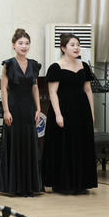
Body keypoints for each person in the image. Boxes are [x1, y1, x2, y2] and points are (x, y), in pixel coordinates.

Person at [43, 33, 97, 194]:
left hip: (81, 110)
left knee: (81, 144)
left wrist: (92, 112)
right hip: (64, 109)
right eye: (72, 45)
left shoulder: (84, 66)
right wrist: (58, 114)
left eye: (78, 45)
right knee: (64, 145)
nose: (76, 48)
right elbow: (53, 92)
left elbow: (88, 90)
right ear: (63, 48)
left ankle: (81, 183)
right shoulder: (56, 67)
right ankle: (63, 183)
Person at [0, 29, 44, 197]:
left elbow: (35, 87)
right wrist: (6, 110)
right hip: (13, 108)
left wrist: (38, 108)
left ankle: (29, 187)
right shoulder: (8, 64)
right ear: (14, 45)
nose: (24, 46)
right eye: (20, 43)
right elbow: (4, 88)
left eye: (27, 43)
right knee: (15, 145)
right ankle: (14, 186)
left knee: (29, 146)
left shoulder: (34, 64)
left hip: (29, 108)